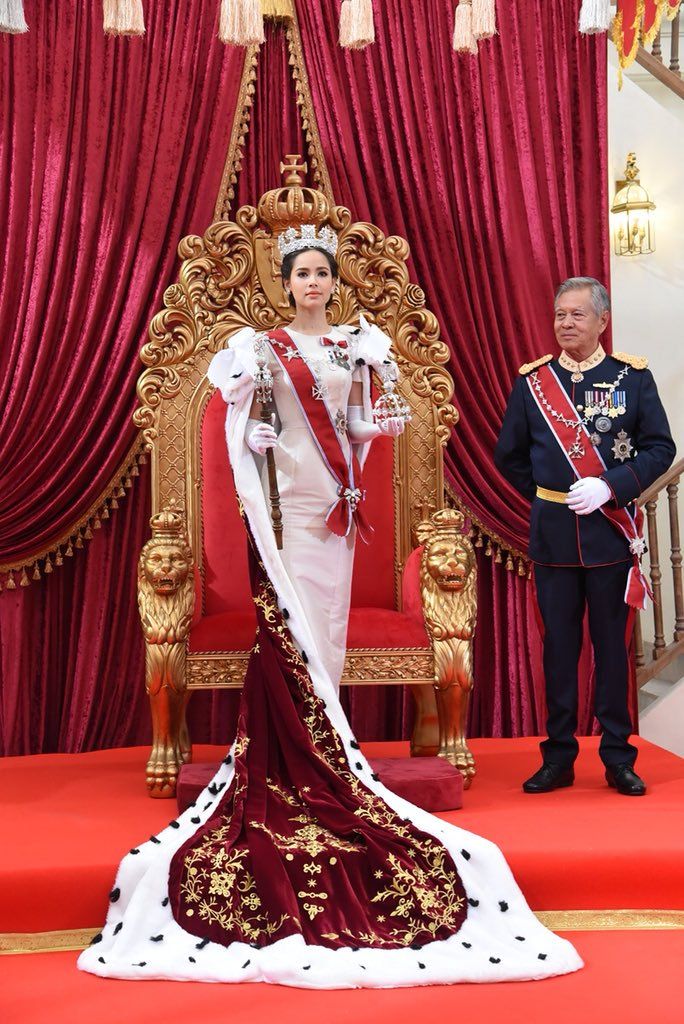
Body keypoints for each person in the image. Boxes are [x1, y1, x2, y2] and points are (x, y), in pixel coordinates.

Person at [78, 226, 582, 988]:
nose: (313, 282)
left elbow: (352, 429)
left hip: (340, 514)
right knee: (294, 633)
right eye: (302, 273)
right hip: (287, 519)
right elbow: (252, 431)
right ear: (286, 282)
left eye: (322, 273)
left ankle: (328, 746)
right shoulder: (261, 347)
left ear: (333, 281)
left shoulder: (357, 349)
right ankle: (302, 757)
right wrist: (250, 430)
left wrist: (382, 426)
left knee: (331, 637)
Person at [495, 277, 675, 797]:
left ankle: (619, 757)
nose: (566, 324)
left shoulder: (631, 380)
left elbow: (660, 448)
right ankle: (558, 757)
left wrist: (609, 486)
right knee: (558, 651)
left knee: (612, 654)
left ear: (602, 321)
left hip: (610, 539)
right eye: (559, 315)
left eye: (577, 315)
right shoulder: (534, 384)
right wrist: (552, 491)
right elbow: (510, 454)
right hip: (554, 537)